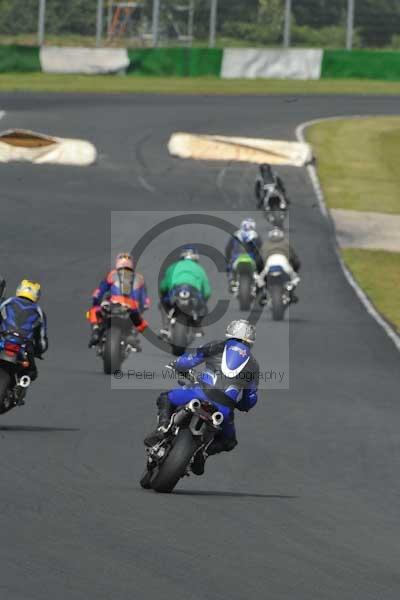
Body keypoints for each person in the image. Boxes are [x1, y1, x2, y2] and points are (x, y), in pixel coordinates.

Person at [144, 319, 259, 476]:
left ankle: (162, 428)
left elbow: (189, 360)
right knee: (229, 441)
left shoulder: (217, 345)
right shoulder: (254, 364)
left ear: (230, 333)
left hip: (199, 392)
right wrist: (242, 406)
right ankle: (203, 454)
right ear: (250, 341)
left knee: (165, 398)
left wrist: (177, 365)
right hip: (224, 409)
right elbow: (250, 398)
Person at [88, 253, 149, 348]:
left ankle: (96, 331)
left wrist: (96, 302)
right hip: (132, 307)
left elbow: (99, 292)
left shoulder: (112, 274)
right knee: (143, 324)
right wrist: (141, 308)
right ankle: (132, 335)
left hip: (114, 303)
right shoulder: (140, 278)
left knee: (93, 311)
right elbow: (145, 302)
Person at [0, 279, 48, 389]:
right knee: (32, 372)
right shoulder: (38, 311)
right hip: (24, 346)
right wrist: (39, 351)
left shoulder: (8, 302)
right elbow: (42, 341)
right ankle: (20, 385)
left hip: (4, 339)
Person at [159, 246, 211, 338]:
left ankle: (165, 328)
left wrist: (164, 295)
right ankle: (197, 327)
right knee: (203, 307)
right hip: (193, 292)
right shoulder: (199, 269)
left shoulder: (173, 266)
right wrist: (203, 300)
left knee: (163, 304)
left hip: (176, 291)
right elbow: (207, 291)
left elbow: (164, 286)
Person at [257, 227, 301, 303]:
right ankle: (291, 293)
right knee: (295, 278)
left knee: (260, 278)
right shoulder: (286, 243)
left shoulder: (265, 245)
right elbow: (295, 259)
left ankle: (264, 293)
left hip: (270, 264)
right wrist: (295, 270)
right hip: (283, 263)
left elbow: (259, 260)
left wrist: (259, 271)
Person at [225, 218, 262, 292]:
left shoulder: (236, 234)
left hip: (236, 258)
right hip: (251, 259)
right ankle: (258, 281)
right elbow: (260, 249)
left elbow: (228, 249)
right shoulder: (255, 235)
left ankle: (232, 280)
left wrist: (228, 259)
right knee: (260, 267)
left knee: (230, 267)